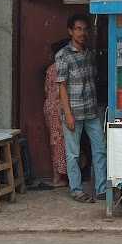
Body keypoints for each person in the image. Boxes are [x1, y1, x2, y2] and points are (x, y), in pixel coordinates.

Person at [56, 14, 107, 202]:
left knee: (100, 149)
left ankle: (101, 189)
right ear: (70, 31)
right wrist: (68, 114)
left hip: (92, 111)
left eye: (85, 29)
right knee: (73, 153)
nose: (82, 33)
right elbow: (61, 86)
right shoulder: (63, 56)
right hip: (73, 113)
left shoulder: (89, 54)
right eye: (78, 29)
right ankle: (76, 190)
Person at [43, 39, 69, 187]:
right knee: (65, 143)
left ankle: (57, 177)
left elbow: (46, 90)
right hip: (61, 108)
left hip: (49, 107)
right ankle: (63, 177)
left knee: (55, 143)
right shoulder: (64, 68)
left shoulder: (50, 69)